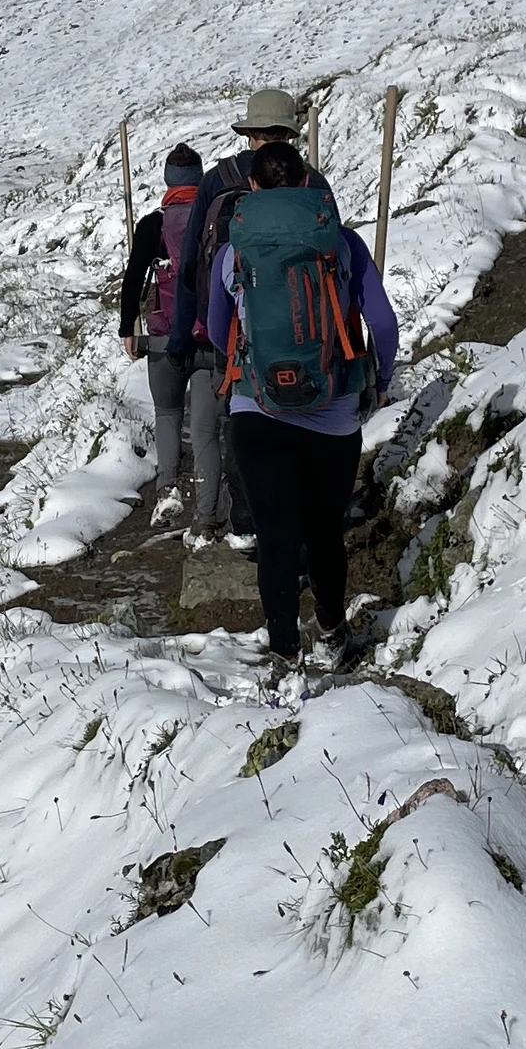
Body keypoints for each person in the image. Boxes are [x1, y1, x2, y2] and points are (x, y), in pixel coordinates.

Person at [205, 138, 397, 685]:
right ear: (306, 181)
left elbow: (220, 332)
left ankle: (286, 655)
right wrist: (377, 381)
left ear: (255, 188)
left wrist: (251, 363)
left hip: (257, 413)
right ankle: (334, 630)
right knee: (324, 532)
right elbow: (382, 324)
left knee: (276, 536)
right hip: (334, 414)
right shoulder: (341, 242)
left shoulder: (233, 250)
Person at [171, 86, 336, 549]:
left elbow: (189, 266)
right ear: (291, 136)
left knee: (239, 428)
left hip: (236, 338)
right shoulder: (314, 185)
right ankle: (300, 527)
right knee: (300, 422)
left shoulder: (218, 180)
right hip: (308, 335)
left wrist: (187, 337)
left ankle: (245, 523)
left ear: (250, 136)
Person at [118, 143, 212, 527]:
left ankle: (168, 490)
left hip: (164, 337)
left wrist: (128, 329)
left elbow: (133, 279)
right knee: (207, 429)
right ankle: (207, 517)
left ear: (168, 181)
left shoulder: (153, 225)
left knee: (169, 414)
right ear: (200, 178)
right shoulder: (216, 218)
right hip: (211, 335)